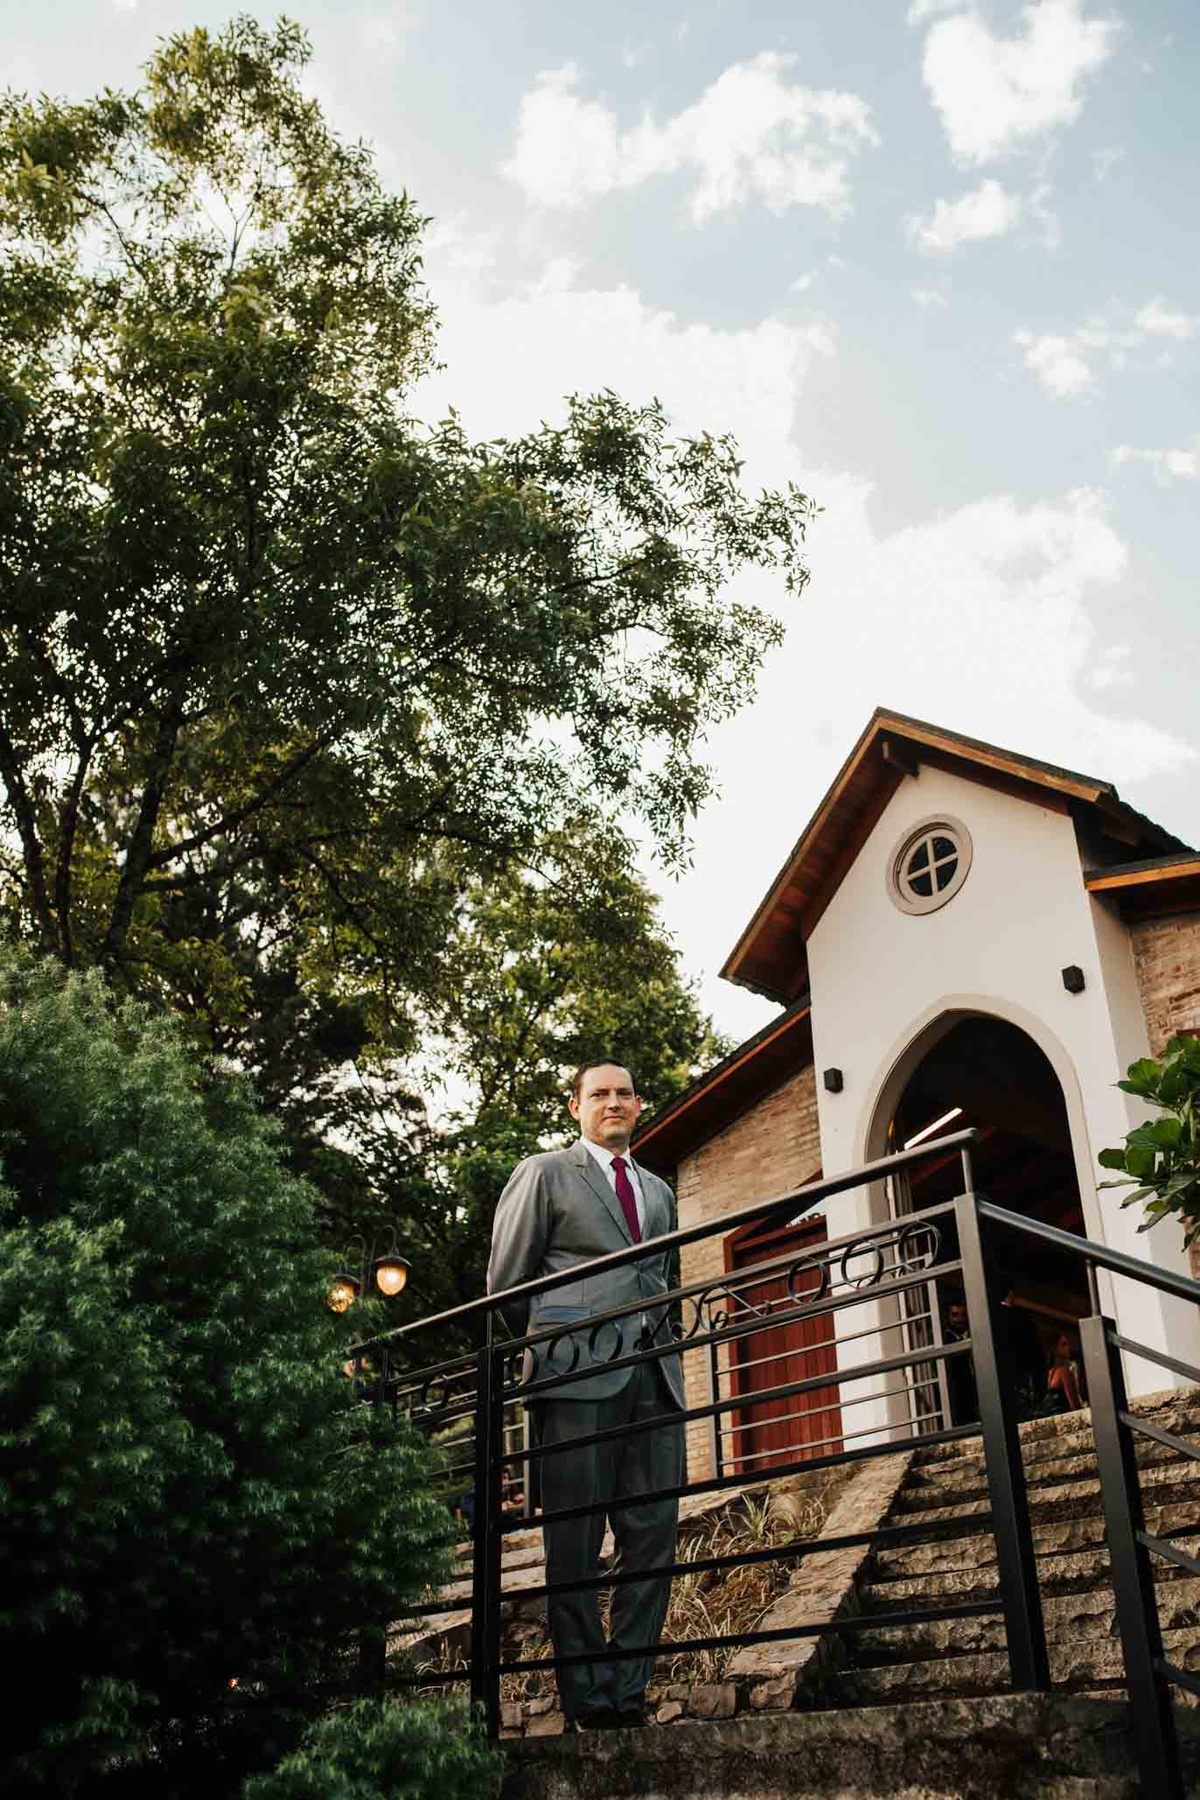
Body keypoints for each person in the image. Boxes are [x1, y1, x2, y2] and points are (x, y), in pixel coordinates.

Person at [487, 1060, 685, 1731]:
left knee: (652, 1539)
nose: (613, 1102)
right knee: (574, 1546)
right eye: (599, 1094)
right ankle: (589, 1702)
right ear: (575, 1107)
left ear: (638, 1105)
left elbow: (661, 1280)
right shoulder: (543, 1173)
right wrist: (559, 1347)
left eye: (624, 1093)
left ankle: (627, 1693)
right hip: (575, 1379)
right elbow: (507, 1288)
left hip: (655, 1379)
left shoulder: (659, 1191)